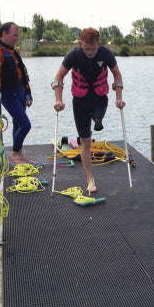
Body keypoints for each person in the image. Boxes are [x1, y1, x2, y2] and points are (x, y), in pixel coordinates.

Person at [52, 28, 124, 194]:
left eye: (93, 49)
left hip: (100, 98)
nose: (90, 52)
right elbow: (58, 78)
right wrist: (58, 99)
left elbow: (117, 76)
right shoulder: (73, 55)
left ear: (99, 44)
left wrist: (118, 97)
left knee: (98, 118)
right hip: (80, 101)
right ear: (80, 44)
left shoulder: (106, 54)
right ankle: (90, 178)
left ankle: (98, 120)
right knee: (86, 142)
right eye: (86, 49)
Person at [0, 22, 34, 165]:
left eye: (17, 36)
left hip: (19, 90)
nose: (16, 39)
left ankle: (18, 154)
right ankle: (14, 153)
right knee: (26, 125)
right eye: (14, 35)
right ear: (4, 34)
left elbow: (21, 72)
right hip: (8, 93)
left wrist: (27, 91)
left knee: (18, 124)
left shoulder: (13, 51)